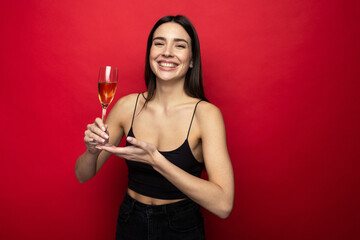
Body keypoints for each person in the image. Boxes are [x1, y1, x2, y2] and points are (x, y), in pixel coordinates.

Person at [75, 15, 234, 240]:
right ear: (150, 53)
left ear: (191, 60)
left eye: (179, 45)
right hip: (131, 221)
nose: (167, 51)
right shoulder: (126, 106)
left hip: (181, 227)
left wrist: (156, 161)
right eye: (159, 43)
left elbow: (223, 204)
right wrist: (91, 152)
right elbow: (82, 175)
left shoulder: (206, 115)